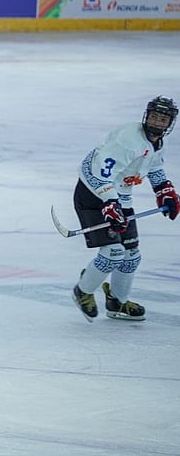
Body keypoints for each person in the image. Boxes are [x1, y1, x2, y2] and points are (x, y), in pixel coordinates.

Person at [70, 96, 179, 321]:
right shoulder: (128, 140)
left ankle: (117, 302)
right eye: (154, 116)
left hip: (120, 196)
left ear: (170, 124)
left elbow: (155, 167)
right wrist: (109, 204)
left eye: (163, 119)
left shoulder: (156, 143)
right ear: (146, 116)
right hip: (93, 194)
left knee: (131, 256)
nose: (157, 122)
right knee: (113, 253)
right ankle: (83, 291)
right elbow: (100, 174)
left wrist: (164, 191)